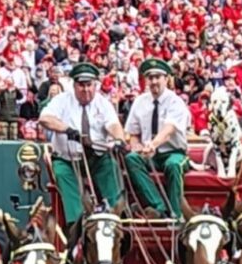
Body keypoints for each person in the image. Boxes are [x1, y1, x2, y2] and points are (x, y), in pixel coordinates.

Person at [38, 62, 126, 227]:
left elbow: (114, 125)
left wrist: (119, 140)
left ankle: (116, 216)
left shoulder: (103, 103)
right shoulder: (62, 101)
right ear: (74, 84)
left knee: (111, 166)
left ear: (95, 85)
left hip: (97, 158)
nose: (86, 90)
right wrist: (67, 129)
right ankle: (76, 224)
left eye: (89, 85)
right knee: (62, 174)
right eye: (81, 85)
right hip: (68, 159)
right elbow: (45, 118)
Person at [124, 58, 190, 221]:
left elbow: (169, 130)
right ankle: (158, 206)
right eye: (150, 78)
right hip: (149, 154)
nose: (153, 82)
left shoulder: (176, 101)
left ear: (166, 79)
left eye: (157, 77)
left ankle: (175, 214)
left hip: (173, 151)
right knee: (131, 159)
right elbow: (132, 132)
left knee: (173, 165)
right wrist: (136, 146)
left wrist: (152, 145)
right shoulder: (140, 101)